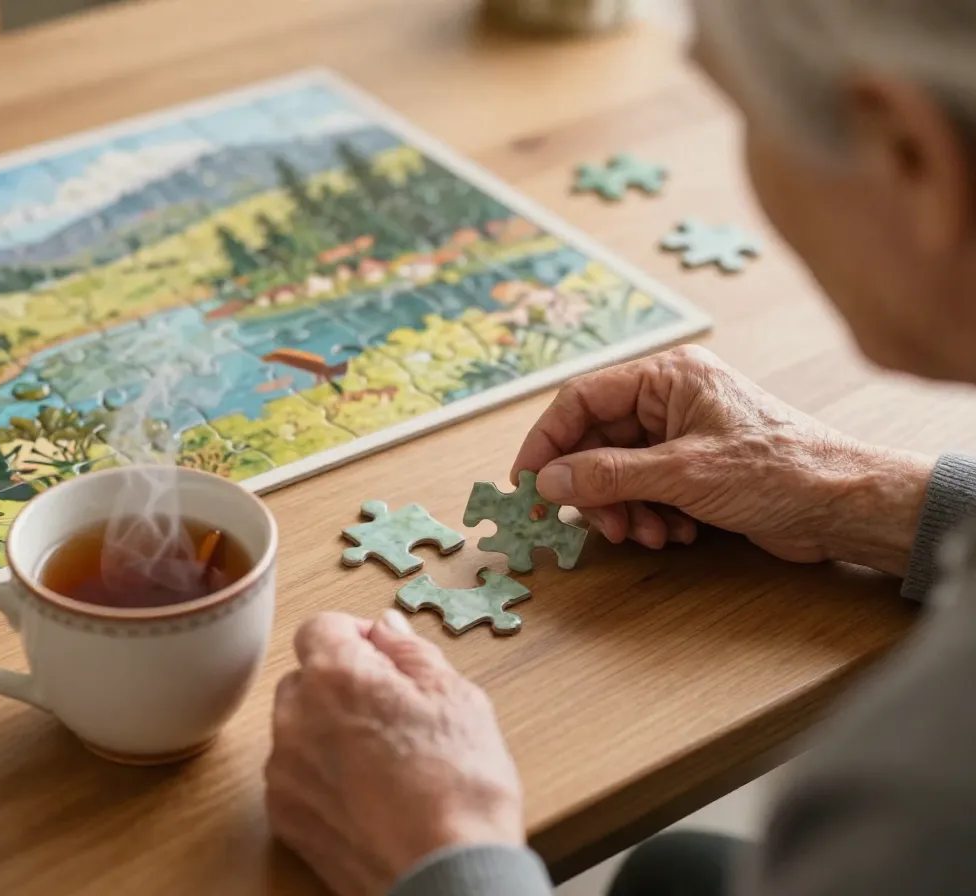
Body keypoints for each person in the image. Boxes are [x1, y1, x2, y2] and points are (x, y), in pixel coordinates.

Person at [264, 0, 976, 893]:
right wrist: (857, 493)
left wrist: (439, 851)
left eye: (741, 112)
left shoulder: (921, 797)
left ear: (909, 157)